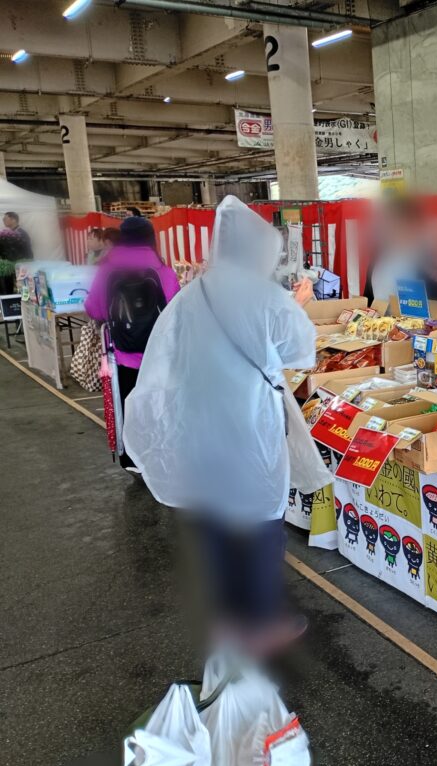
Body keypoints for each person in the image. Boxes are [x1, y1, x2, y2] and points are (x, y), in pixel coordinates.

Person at [123, 196, 318, 656]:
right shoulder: (266, 297)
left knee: (211, 522)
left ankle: (227, 620)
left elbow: (165, 361)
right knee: (261, 525)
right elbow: (299, 353)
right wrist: (298, 303)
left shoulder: (191, 296)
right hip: (249, 431)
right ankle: (263, 620)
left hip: (198, 430)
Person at [84, 216, 180, 471]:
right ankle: (159, 456)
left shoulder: (107, 269)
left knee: (126, 404)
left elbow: (94, 308)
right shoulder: (163, 269)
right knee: (158, 405)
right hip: (158, 354)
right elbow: (176, 311)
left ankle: (132, 460)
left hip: (122, 354)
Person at [363, 195, 437, 320]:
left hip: (417, 329)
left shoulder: (429, 261)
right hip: (381, 329)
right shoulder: (377, 260)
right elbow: (368, 303)